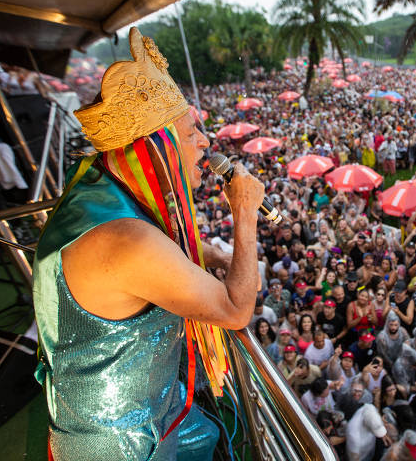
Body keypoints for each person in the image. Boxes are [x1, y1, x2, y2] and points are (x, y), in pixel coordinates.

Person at [33, 29, 264, 460]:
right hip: (119, 442)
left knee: (206, 436)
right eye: (193, 131)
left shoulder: (98, 190)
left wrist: (208, 254)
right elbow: (235, 310)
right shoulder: (127, 241)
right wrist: (245, 213)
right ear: (157, 146)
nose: (205, 143)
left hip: (150, 403)